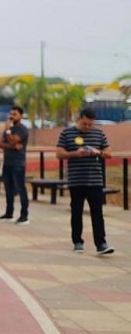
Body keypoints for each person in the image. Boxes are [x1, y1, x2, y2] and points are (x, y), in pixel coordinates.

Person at [56, 108, 114, 255]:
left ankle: (101, 243)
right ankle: (77, 241)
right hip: (76, 180)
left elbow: (109, 153)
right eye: (84, 124)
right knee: (76, 212)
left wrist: (98, 152)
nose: (87, 127)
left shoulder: (99, 133)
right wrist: (76, 153)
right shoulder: (67, 133)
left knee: (97, 212)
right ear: (79, 119)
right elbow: (59, 153)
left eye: (90, 124)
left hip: (95, 180)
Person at [0, 106, 30, 224]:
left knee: (21, 188)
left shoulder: (22, 129)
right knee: (8, 189)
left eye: (15, 114)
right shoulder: (8, 130)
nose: (11, 116)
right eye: (11, 114)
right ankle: (9, 213)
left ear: (21, 116)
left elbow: (13, 140)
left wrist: (8, 132)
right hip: (7, 163)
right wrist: (13, 146)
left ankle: (24, 215)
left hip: (18, 163)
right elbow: (0, 144)